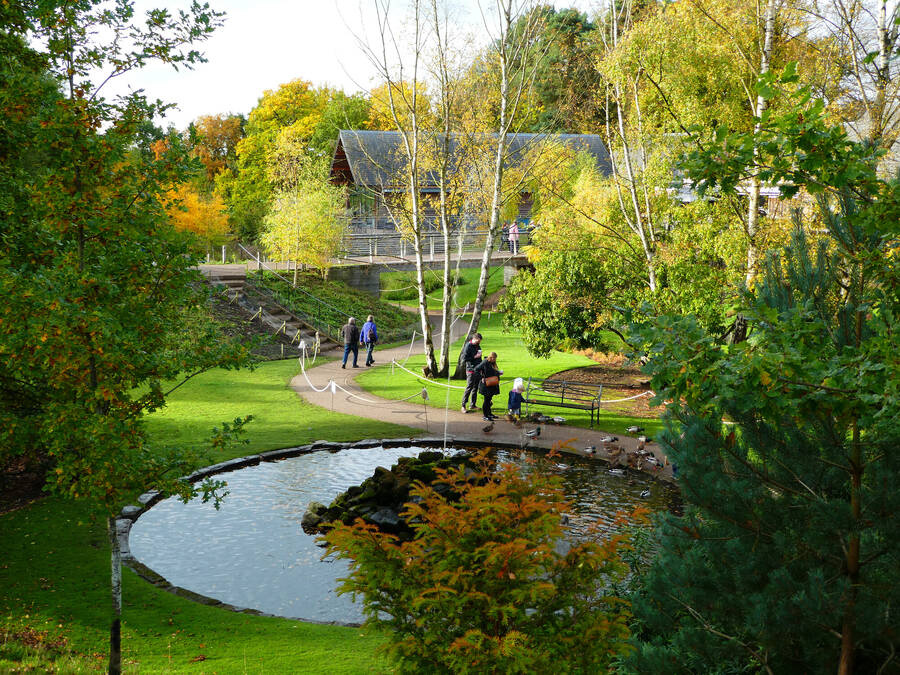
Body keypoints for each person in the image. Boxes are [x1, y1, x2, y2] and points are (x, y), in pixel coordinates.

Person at [474, 351, 502, 421]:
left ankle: (489, 414)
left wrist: (498, 373)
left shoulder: (493, 363)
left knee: (489, 400)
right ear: (490, 357)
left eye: (495, 358)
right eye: (492, 358)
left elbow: (492, 371)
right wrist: (481, 378)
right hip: (486, 384)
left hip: (492, 383)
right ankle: (485, 415)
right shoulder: (485, 362)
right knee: (486, 400)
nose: (494, 359)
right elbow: (476, 369)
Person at [460, 332, 483, 413]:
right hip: (470, 370)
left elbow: (479, 358)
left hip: (477, 369)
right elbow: (464, 358)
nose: (479, 343)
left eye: (479, 342)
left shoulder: (477, 346)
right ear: (474, 339)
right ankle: (463, 405)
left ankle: (472, 405)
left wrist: (481, 365)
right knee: (469, 387)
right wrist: (474, 357)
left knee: (475, 387)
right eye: (478, 341)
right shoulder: (468, 346)